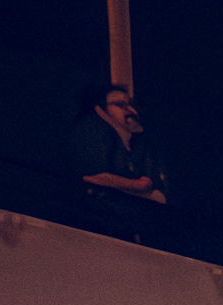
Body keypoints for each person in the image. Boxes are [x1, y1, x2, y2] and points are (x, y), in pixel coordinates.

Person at [68, 81, 166, 237]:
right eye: (120, 105)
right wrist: (140, 186)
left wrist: (137, 186)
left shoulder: (140, 145)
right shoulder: (93, 131)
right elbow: (94, 178)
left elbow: (160, 194)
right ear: (101, 110)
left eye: (130, 105)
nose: (129, 110)